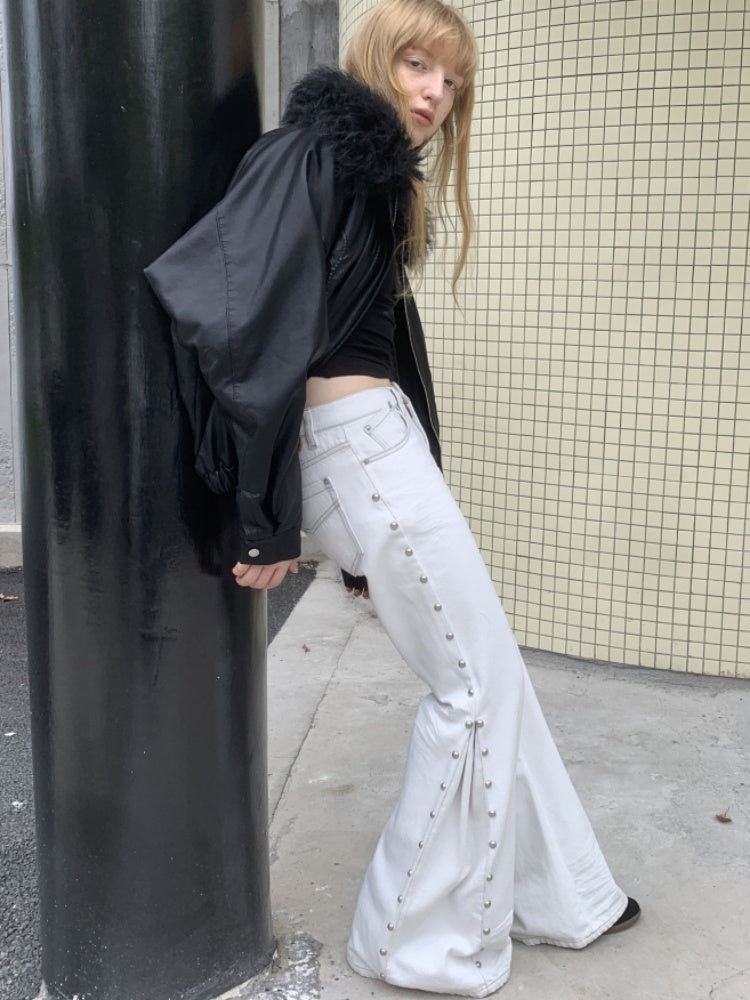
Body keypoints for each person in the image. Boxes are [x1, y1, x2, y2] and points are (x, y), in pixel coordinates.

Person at [145, 0, 640, 994]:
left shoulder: (369, 177)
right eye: (418, 65)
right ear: (376, 57)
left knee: (493, 674)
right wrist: (261, 516)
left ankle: (561, 894)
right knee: (473, 690)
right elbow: (239, 328)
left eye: (452, 81)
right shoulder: (313, 155)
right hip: (356, 449)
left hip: (380, 445)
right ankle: (413, 939)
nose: (435, 93)